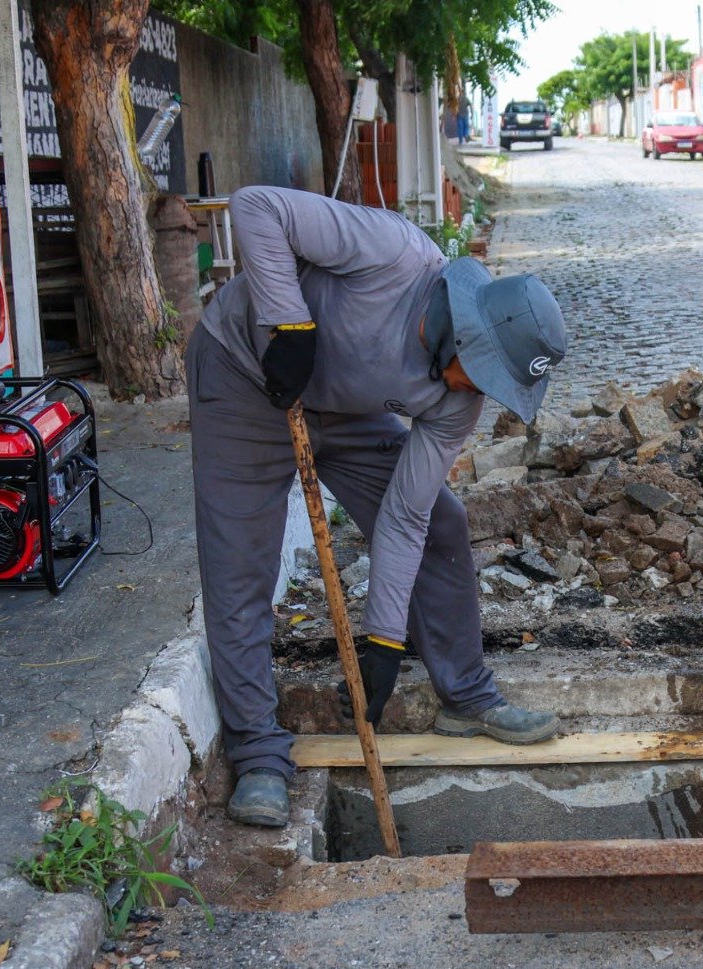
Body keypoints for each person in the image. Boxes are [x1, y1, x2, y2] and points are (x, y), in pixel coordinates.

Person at [189, 185, 570, 828]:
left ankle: (465, 695)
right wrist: (288, 321)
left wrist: (383, 639)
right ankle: (258, 752)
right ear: (461, 338)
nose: (482, 396)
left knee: (443, 521)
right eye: (485, 378)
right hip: (246, 378)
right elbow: (256, 206)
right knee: (239, 568)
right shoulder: (391, 254)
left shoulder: (458, 404)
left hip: (347, 410)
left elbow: (404, 516)